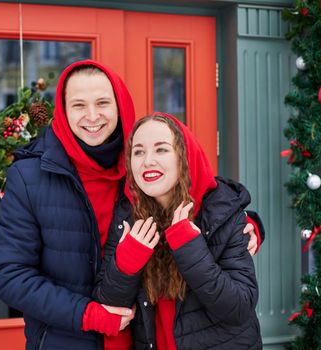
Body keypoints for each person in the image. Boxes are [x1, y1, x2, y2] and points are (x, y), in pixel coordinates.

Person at [0, 60, 262, 349]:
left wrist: (245, 223)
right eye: (79, 105)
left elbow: (197, 185)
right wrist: (86, 314)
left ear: (119, 105)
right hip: (69, 338)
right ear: (63, 110)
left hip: (140, 336)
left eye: (103, 103)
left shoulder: (138, 159)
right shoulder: (29, 176)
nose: (92, 116)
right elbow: (10, 274)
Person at [92, 113, 262, 349]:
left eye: (161, 150)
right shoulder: (127, 215)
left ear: (184, 156)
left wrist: (190, 249)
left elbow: (240, 308)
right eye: (138, 151)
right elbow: (108, 303)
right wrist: (126, 262)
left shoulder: (220, 212)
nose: (147, 161)